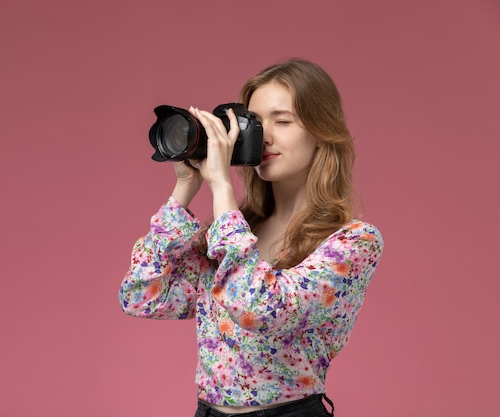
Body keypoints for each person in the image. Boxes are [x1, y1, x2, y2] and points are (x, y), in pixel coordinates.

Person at [118, 58, 383, 417]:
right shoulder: (234, 233)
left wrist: (222, 188)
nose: (265, 136)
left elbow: (257, 309)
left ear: (321, 131)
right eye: (256, 123)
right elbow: (141, 296)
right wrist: (185, 186)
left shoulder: (353, 242)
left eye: (283, 121)